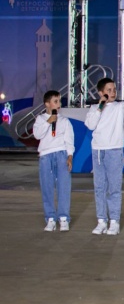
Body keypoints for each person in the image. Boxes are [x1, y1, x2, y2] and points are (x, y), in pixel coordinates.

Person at [85, 74, 124, 235]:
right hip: (98, 151)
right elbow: (90, 125)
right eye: (109, 90)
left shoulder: (119, 107)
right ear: (101, 93)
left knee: (114, 187)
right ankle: (101, 221)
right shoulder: (94, 109)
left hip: (114, 150)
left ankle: (114, 221)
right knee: (99, 187)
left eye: (114, 89)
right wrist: (100, 107)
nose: (113, 92)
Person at [33, 90, 74, 232]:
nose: (59, 104)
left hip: (61, 154)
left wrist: (69, 156)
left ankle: (63, 218)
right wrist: (48, 122)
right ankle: (50, 218)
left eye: (59, 101)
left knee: (63, 186)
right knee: (47, 187)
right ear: (47, 104)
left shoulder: (64, 121)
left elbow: (69, 140)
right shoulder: (40, 119)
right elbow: (37, 135)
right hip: (45, 156)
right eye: (55, 101)